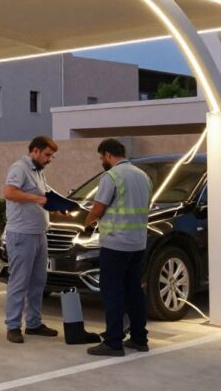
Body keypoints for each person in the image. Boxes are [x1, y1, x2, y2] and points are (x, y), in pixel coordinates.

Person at [84, 138, 153, 356]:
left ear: (107, 155)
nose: (101, 162)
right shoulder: (143, 176)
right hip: (138, 243)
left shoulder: (111, 176)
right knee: (134, 291)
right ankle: (140, 339)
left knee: (112, 292)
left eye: (101, 157)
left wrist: (87, 221)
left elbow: (99, 207)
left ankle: (113, 342)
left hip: (115, 244)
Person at [1, 136, 62, 343]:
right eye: (47, 155)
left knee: (38, 281)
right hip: (22, 234)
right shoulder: (19, 168)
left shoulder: (38, 171)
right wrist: (38, 199)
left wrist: (59, 206)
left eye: (51, 156)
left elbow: (44, 196)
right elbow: (9, 192)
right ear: (35, 151)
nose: (49, 159)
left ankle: (34, 323)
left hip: (38, 233)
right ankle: (13, 326)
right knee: (19, 281)